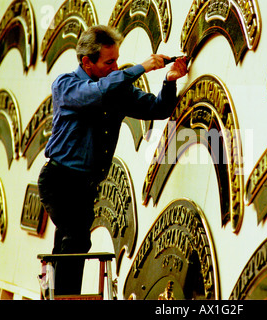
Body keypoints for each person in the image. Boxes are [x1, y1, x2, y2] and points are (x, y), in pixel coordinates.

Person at [37, 25, 188, 296]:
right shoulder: (66, 85)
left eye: (117, 60)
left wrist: (170, 80)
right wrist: (140, 68)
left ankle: (58, 293)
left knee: (70, 243)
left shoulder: (115, 88)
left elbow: (158, 109)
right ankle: (66, 297)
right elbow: (97, 93)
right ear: (87, 62)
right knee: (77, 239)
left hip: (85, 185)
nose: (115, 67)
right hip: (58, 180)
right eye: (109, 62)